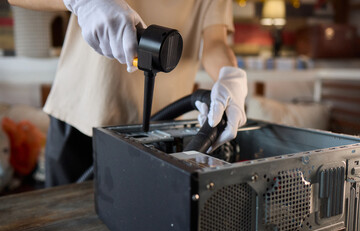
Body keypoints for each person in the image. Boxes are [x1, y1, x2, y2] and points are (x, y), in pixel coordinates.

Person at [9, 0, 248, 187]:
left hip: (159, 136)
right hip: (79, 116)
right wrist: (83, 1)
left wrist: (230, 76)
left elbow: (215, 41)